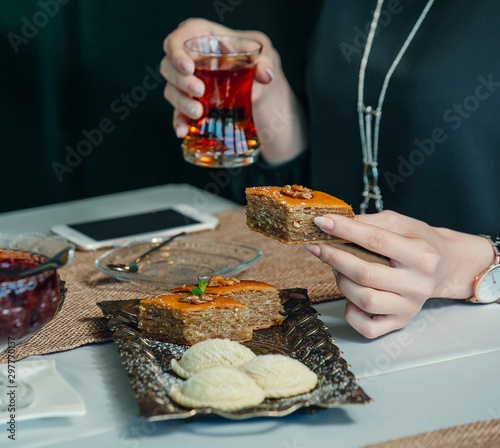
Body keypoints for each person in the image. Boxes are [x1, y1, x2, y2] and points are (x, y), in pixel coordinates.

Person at [160, 1, 500, 339]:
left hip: (468, 331)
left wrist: (459, 266)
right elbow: (320, 182)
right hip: (329, 317)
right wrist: (268, 101)